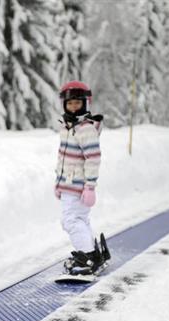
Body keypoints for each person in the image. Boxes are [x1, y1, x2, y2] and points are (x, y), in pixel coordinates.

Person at [54, 80, 108, 275]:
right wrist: (58, 183)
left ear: (85, 104)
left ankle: (87, 257)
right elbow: (63, 158)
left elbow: (93, 159)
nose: (73, 107)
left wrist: (90, 187)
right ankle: (92, 253)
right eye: (70, 104)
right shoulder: (68, 127)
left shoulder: (85, 129)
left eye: (78, 103)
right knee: (80, 220)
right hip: (68, 184)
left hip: (79, 187)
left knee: (70, 220)